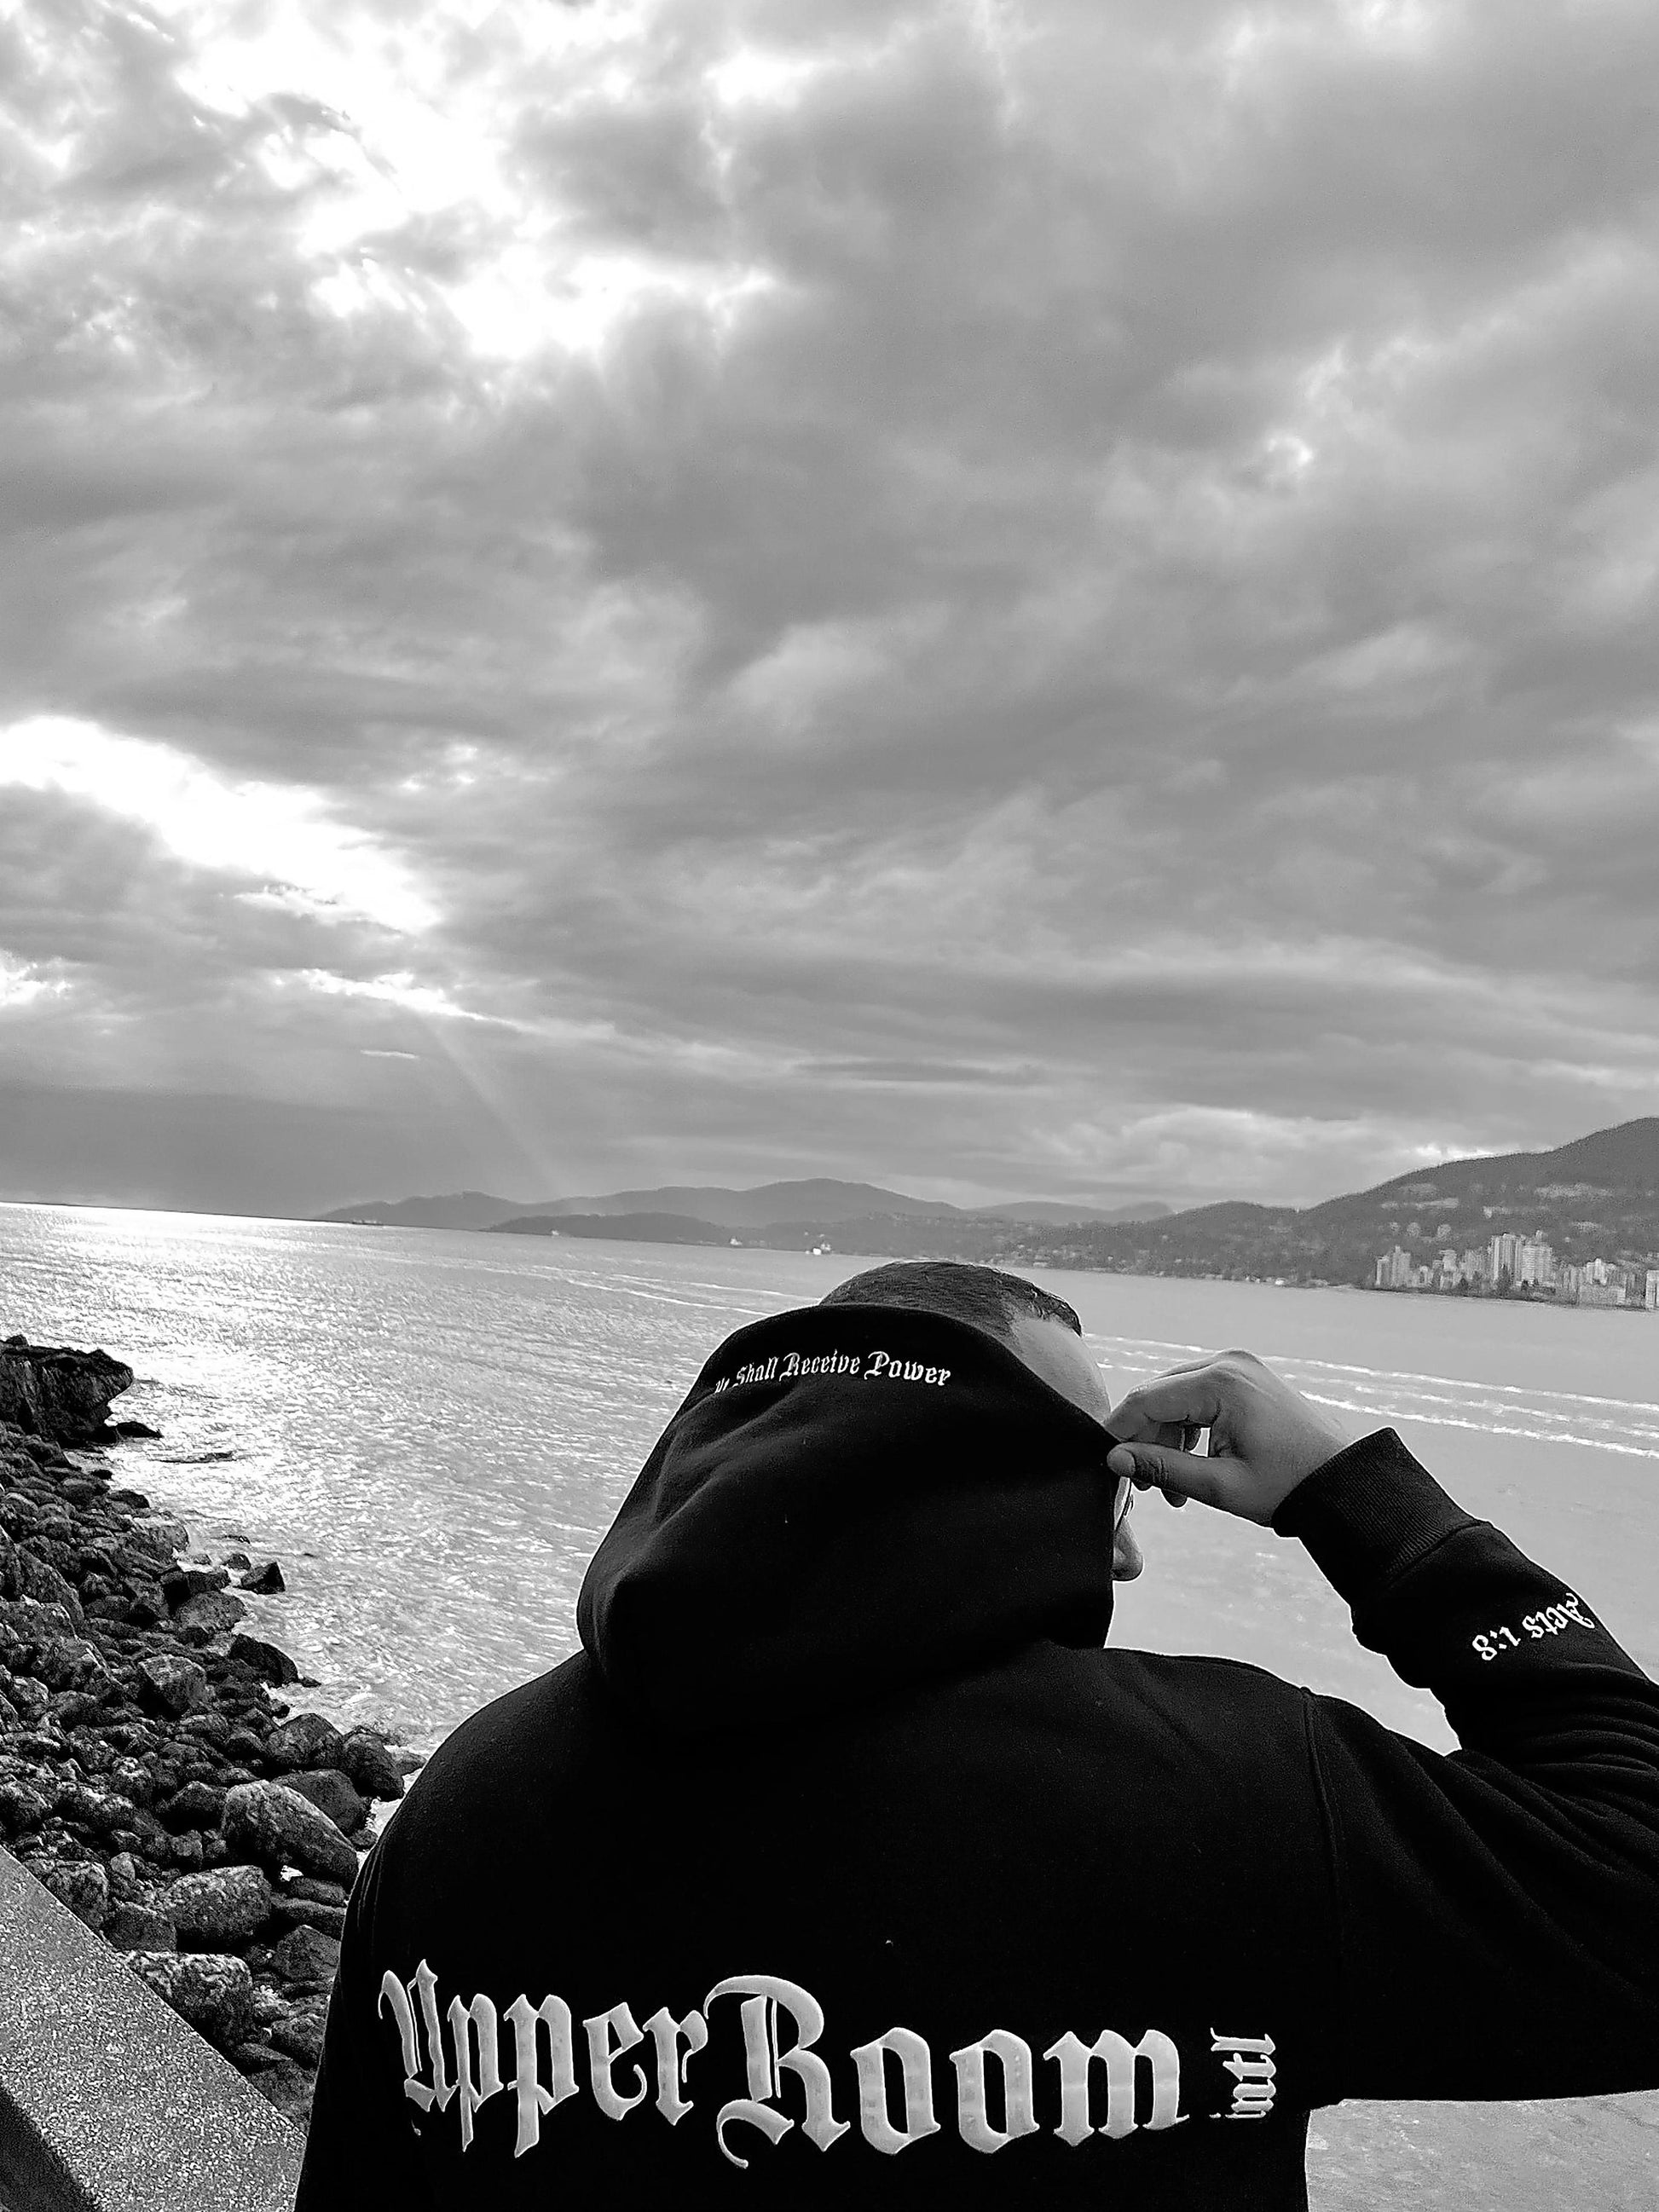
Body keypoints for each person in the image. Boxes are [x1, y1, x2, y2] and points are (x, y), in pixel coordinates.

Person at [294, 1260, 1659, 2209]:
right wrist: (1360, 1499)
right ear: (977, 1477)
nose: (1123, 1551)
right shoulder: (1231, 1792)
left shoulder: (469, 1797)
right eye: (1094, 1482)